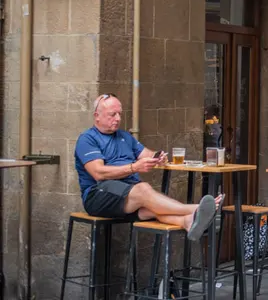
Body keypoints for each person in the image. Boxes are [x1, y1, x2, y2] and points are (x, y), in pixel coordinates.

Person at [75, 94, 222, 241]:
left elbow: (147, 154)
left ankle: (187, 221)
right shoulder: (87, 139)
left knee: (150, 208)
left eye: (120, 114)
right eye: (113, 114)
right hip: (98, 195)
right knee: (143, 190)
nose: (118, 118)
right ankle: (195, 209)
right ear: (97, 116)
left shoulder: (125, 136)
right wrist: (134, 168)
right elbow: (98, 173)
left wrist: (158, 158)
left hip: (128, 194)